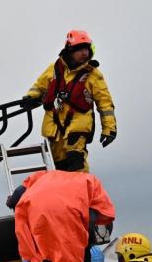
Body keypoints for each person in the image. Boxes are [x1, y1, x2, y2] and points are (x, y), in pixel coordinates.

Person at [22, 30, 117, 172]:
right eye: (80, 49)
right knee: (58, 166)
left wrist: (109, 129)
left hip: (78, 125)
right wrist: (30, 98)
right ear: (70, 50)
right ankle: (63, 192)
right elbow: (39, 86)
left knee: (76, 161)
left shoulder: (93, 75)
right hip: (54, 127)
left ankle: (80, 191)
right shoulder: (54, 68)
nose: (84, 53)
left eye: (86, 49)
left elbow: (105, 103)